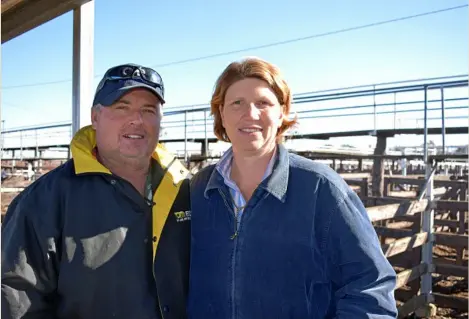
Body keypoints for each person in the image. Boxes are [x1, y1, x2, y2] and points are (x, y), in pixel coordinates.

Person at [188, 57, 398, 318]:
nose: (249, 114)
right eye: (236, 103)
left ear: (282, 112)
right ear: (221, 114)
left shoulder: (320, 188)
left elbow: (370, 287)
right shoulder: (198, 190)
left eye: (263, 103)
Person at [2, 63, 191, 319]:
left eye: (148, 110)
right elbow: (15, 298)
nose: (136, 120)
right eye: (121, 108)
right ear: (95, 117)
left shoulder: (187, 189)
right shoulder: (45, 200)